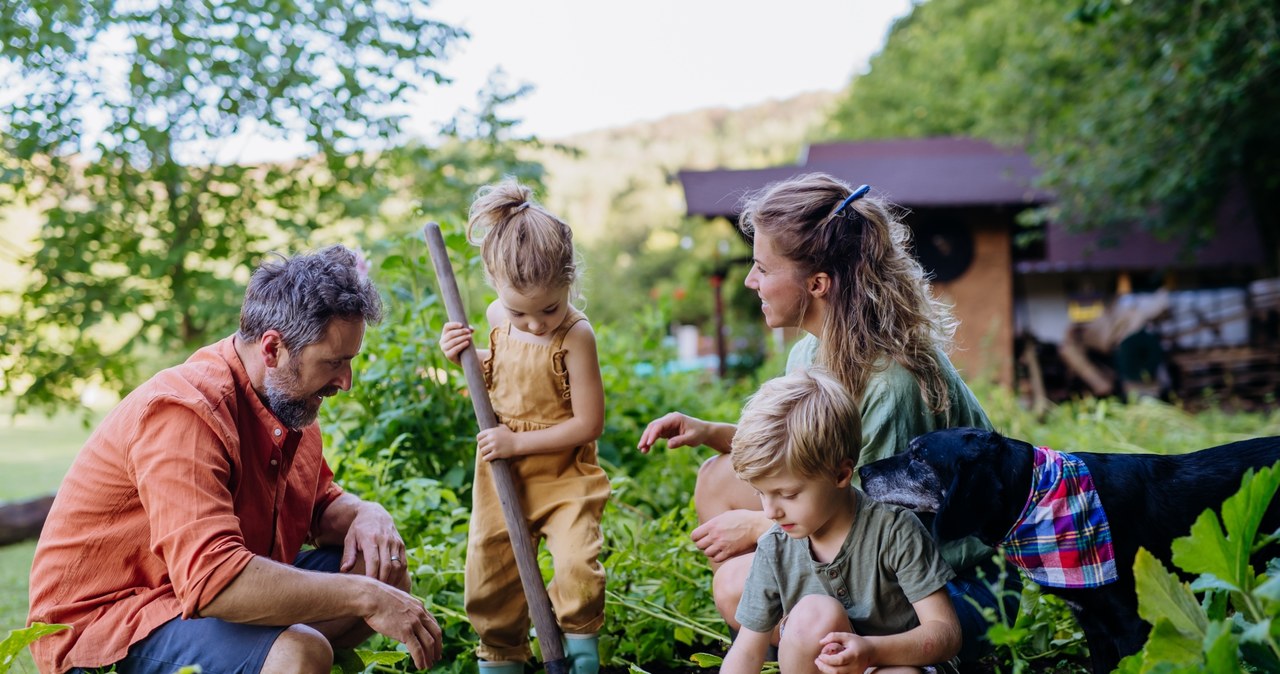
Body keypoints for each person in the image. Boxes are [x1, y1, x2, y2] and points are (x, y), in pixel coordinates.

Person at [637, 173, 1018, 664]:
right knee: (717, 477)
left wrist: (760, 528)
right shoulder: (809, 352)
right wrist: (712, 433)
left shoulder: (888, 382)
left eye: (761, 268)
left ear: (817, 284)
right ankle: (800, 628)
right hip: (862, 538)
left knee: (737, 585)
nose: (751, 281)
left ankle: (818, 635)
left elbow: (869, 514)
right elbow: (807, 454)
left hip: (952, 588)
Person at [27, 245, 443, 674]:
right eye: (334, 362)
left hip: (188, 600)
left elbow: (319, 504)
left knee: (382, 568)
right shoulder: (184, 412)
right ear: (272, 349)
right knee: (298, 652)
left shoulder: (289, 404)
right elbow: (213, 581)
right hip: (107, 625)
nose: (346, 382)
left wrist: (366, 514)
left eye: (350, 362)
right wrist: (363, 596)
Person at [439, 179, 609, 674]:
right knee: (490, 573)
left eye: (549, 308)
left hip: (564, 477)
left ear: (569, 281)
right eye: (520, 312)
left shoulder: (577, 336)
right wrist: (467, 357)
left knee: (577, 564)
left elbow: (589, 423)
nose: (535, 324)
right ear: (493, 281)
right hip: (501, 474)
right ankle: (503, 659)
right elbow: (505, 371)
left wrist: (518, 440)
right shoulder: (496, 315)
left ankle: (578, 658)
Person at [721, 369, 960, 674]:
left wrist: (871, 652)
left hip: (897, 663)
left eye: (788, 494)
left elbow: (946, 633)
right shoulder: (775, 547)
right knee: (810, 616)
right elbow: (746, 652)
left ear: (841, 474)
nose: (770, 511)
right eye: (761, 494)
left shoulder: (894, 531)